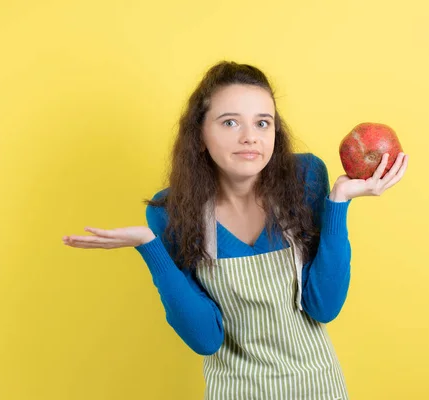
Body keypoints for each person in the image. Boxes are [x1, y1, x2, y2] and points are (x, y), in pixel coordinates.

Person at [63, 61, 409, 399]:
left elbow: (324, 307)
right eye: (230, 122)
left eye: (262, 123)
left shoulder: (305, 178)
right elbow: (205, 339)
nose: (250, 138)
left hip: (317, 386)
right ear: (199, 135)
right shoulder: (171, 212)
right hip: (234, 390)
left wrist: (337, 203)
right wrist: (150, 247)